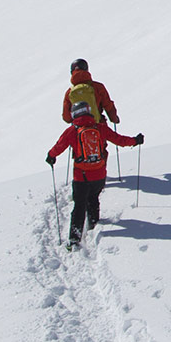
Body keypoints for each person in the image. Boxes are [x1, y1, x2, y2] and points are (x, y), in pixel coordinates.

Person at [47, 102, 142, 249]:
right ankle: (93, 226)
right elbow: (119, 140)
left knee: (79, 206)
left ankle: (74, 240)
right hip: (99, 174)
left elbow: (59, 146)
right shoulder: (100, 128)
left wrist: (51, 156)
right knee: (93, 199)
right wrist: (135, 140)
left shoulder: (72, 130)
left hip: (81, 176)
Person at [61, 57, 120, 126]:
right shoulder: (98, 87)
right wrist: (114, 119)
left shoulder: (69, 92)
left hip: (80, 129)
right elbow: (108, 106)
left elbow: (67, 118)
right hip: (98, 125)